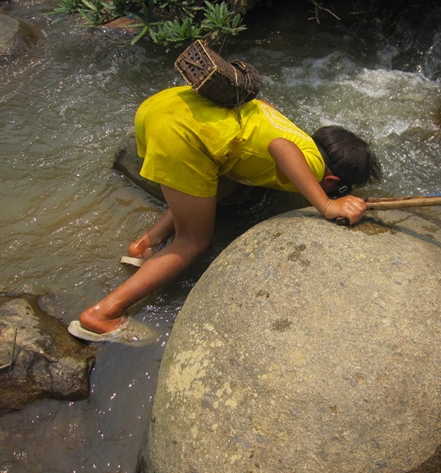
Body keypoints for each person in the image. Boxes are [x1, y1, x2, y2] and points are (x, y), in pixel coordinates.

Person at [67, 85, 382, 341]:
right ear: (332, 181)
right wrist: (327, 205)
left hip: (160, 108)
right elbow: (281, 150)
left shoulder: (292, 128)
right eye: (338, 190)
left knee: (231, 180)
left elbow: (265, 110)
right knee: (193, 242)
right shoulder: (311, 163)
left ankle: (146, 245)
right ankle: (103, 314)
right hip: (181, 136)